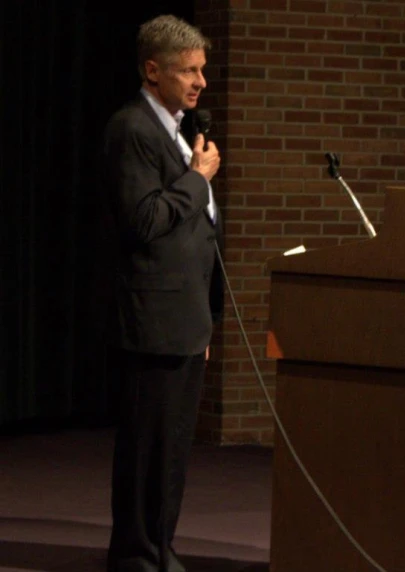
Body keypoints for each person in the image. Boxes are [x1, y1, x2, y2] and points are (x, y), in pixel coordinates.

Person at [101, 14, 223, 572]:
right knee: (147, 448)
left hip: (182, 316)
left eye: (202, 70)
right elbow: (143, 220)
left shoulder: (175, 128)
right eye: (187, 71)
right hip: (152, 319)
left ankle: (159, 547)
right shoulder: (133, 129)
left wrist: (200, 319)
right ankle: (136, 555)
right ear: (153, 70)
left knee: (172, 450)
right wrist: (197, 179)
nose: (199, 82)